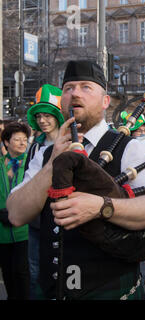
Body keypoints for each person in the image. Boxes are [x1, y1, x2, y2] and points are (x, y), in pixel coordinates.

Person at [6, 60, 145, 300]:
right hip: (53, 291)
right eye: (69, 88)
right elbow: (17, 214)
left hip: (113, 290)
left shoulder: (129, 148)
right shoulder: (45, 154)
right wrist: (53, 163)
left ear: (105, 102)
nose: (75, 94)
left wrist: (101, 207)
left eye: (85, 87)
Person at [25, 84, 65, 299]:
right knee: (34, 274)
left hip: (62, 221)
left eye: (48, 115)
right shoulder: (34, 146)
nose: (42, 120)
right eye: (39, 116)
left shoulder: (72, 143)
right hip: (36, 223)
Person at [0, 122, 30, 299]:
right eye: (17, 139)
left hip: (24, 232)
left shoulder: (31, 164)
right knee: (8, 275)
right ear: (6, 142)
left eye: (25, 140)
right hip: (2, 233)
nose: (22, 143)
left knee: (23, 274)